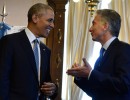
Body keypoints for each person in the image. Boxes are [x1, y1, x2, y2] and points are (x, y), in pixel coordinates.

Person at [67, 9, 130, 100]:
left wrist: (91, 73)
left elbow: (124, 84)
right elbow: (96, 92)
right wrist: (80, 76)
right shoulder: (103, 53)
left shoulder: (124, 49)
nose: (90, 29)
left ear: (105, 26)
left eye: (93, 23)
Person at [0, 3, 57, 100]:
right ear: (35, 18)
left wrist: (54, 88)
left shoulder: (45, 50)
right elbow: (2, 79)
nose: (52, 25)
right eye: (50, 20)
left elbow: (45, 82)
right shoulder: (10, 42)